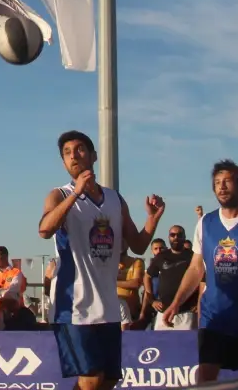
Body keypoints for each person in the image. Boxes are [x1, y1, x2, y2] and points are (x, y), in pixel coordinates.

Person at [38, 130, 165, 390]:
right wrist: (76, 194)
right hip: (74, 304)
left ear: (93, 156)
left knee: (108, 379)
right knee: (91, 378)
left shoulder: (115, 199)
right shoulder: (59, 195)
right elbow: (44, 229)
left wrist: (152, 219)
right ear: (63, 163)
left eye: (80, 149)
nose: (73, 155)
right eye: (67, 152)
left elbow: (139, 245)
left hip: (107, 303)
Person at [163, 161, 238, 384]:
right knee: (206, 378)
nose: (221, 187)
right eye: (217, 183)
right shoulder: (206, 223)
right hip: (214, 317)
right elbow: (196, 268)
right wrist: (176, 302)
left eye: (227, 181)